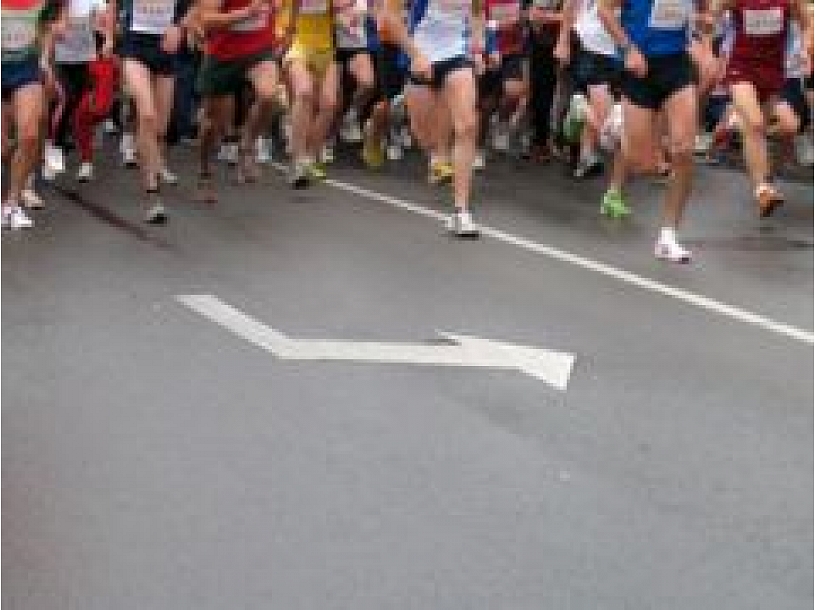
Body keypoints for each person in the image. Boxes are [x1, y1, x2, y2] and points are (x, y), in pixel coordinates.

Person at [598, 0, 714, 262]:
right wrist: (628, 48)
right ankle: (619, 124)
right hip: (639, 65)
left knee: (683, 150)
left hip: (677, 64)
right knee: (643, 165)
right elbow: (604, 9)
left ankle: (668, 235)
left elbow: (704, 12)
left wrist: (705, 27)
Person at [380, 0, 484, 237]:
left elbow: (478, 12)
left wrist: (478, 49)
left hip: (457, 55)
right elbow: (389, 18)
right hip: (420, 55)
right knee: (426, 140)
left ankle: (461, 212)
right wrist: (416, 54)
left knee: (468, 126)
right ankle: (403, 108)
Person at [713, 0, 811, 215]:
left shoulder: (790, 1)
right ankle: (762, 189)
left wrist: (804, 49)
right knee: (755, 123)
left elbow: (806, 24)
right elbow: (713, 18)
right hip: (741, 68)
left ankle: (762, 176)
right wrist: (711, 26)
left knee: (759, 128)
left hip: (773, 72)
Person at [194, 0, 292, 200]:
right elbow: (206, 20)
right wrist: (246, 12)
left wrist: (291, 29)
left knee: (269, 96)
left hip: (259, 50)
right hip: (222, 56)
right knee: (211, 124)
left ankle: (247, 145)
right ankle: (205, 172)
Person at [116, 0, 191, 222]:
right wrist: (110, 36)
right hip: (135, 49)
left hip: (166, 53)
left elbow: (196, 7)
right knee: (147, 115)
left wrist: (179, 26)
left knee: (159, 131)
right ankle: (153, 195)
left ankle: (151, 161)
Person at [2, 0, 62, 229]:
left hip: (26, 70)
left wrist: (44, 60)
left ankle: (11, 205)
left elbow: (46, 28)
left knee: (29, 136)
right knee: (3, 148)